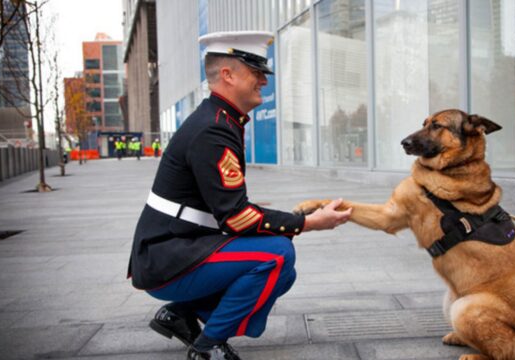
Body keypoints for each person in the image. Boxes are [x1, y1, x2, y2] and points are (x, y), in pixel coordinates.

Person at [127, 31, 352, 360]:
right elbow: (237, 218)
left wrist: (298, 222)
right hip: (166, 258)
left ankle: (180, 314)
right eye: (255, 72)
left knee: (283, 271)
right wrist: (309, 222)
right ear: (228, 75)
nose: (263, 80)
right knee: (276, 254)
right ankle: (207, 346)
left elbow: (230, 211)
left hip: (174, 249)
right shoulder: (213, 128)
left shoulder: (219, 120)